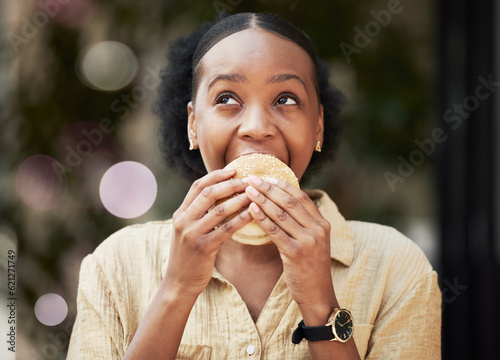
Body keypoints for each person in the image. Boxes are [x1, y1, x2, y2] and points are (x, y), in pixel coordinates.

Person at [67, 12, 441, 360]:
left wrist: (318, 302)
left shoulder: (395, 265)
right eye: (226, 98)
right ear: (193, 125)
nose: (257, 126)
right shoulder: (115, 265)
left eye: (286, 99)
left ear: (318, 127)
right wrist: (176, 291)